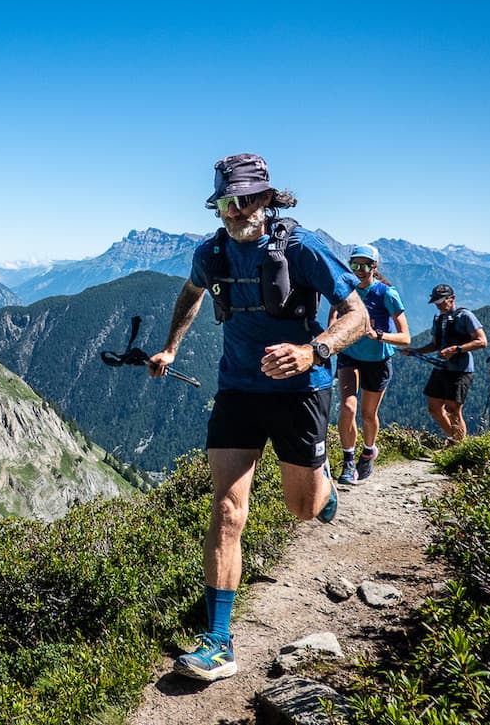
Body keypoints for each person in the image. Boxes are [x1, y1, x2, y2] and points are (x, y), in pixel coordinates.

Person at [147, 153, 367, 682]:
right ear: (217, 207)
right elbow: (191, 294)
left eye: (248, 198)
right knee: (226, 510)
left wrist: (315, 350)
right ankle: (218, 642)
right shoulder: (212, 252)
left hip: (299, 390)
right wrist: (171, 347)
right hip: (238, 390)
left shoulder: (302, 247)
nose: (238, 209)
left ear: (268, 198)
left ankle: (325, 490)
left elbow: (358, 315)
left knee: (302, 509)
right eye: (228, 201)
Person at [328, 245, 410, 483]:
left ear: (375, 267)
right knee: (348, 408)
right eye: (354, 265)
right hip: (350, 356)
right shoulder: (346, 291)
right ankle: (347, 462)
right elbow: (334, 314)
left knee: (367, 414)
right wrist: (333, 334)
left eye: (365, 265)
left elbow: (405, 338)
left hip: (378, 359)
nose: (359, 270)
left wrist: (379, 335)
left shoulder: (387, 294)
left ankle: (369, 450)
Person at [403, 284, 487, 443]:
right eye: (436, 302)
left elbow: (482, 341)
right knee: (434, 407)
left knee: (453, 409)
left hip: (461, 370)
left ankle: (459, 446)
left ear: (452, 298)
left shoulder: (465, 316)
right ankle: (455, 440)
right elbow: (434, 345)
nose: (439, 305)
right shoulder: (438, 318)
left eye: (442, 301)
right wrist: (415, 350)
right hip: (441, 368)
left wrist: (457, 349)